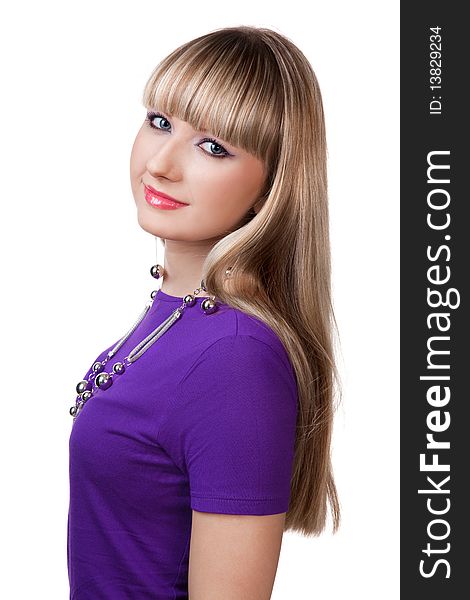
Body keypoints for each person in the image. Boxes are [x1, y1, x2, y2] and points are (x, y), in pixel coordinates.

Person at [67, 25, 341, 599]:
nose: (162, 163)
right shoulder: (175, 316)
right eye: (159, 121)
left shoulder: (235, 357)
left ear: (275, 185)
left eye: (214, 147)